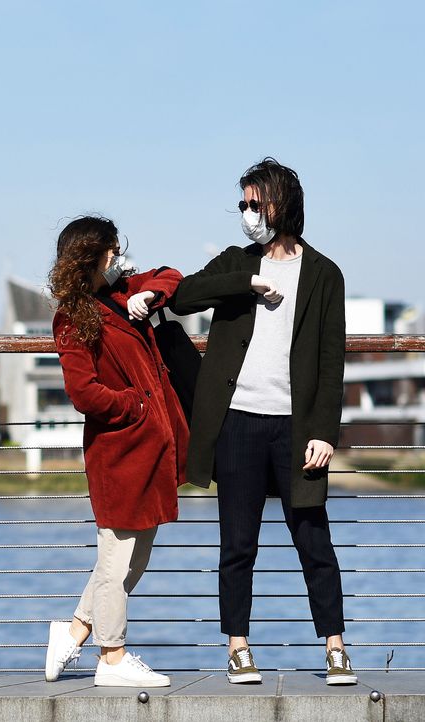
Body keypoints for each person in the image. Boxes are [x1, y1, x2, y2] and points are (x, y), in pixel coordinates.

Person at [168, 158, 355, 685]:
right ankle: (238, 647)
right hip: (237, 423)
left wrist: (324, 431)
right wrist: (247, 282)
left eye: (256, 203)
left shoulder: (324, 275)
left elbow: (330, 359)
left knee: (313, 538)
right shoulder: (234, 262)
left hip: (296, 430)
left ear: (282, 204)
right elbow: (183, 296)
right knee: (238, 543)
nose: (248, 214)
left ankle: (336, 647)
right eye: (243, 205)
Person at [44, 216, 187, 687]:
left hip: (148, 448)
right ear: (95, 256)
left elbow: (171, 274)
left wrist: (150, 295)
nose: (119, 257)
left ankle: (75, 630)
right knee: (117, 557)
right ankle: (112, 656)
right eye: (112, 251)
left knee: (133, 558)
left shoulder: (123, 292)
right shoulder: (72, 316)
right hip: (119, 451)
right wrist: (136, 404)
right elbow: (83, 392)